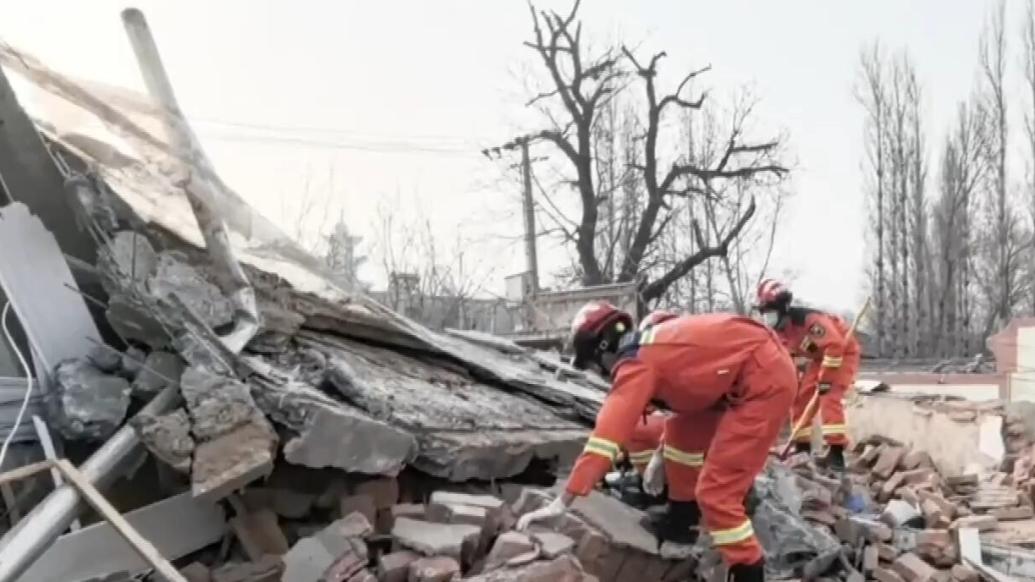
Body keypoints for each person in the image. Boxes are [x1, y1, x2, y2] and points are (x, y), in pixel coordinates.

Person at [516, 302, 797, 582]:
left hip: (762, 382)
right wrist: (660, 456)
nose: (599, 374)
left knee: (716, 494)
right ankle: (681, 520)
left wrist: (563, 502)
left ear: (602, 349)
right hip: (748, 371)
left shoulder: (637, 364)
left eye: (592, 365)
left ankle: (748, 568)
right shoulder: (651, 347)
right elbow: (686, 395)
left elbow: (606, 437)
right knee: (679, 433)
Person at [754, 279, 861, 471]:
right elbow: (787, 362)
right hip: (820, 357)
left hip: (841, 353)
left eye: (770, 312)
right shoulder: (780, 332)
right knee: (799, 396)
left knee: (828, 396)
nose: (767, 318)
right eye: (764, 313)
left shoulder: (810, 322)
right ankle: (802, 447)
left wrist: (826, 380)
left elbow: (835, 345)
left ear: (783, 308)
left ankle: (836, 454)